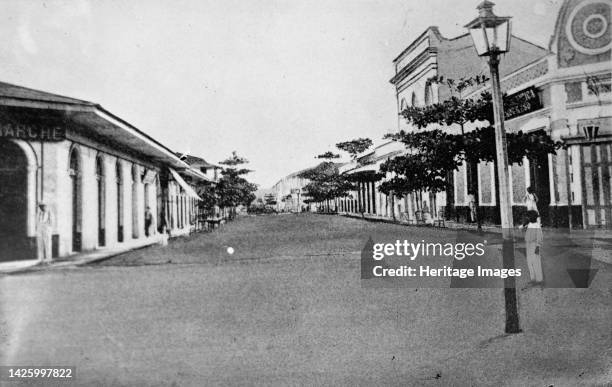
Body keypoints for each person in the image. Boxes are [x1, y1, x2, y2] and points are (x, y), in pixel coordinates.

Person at [524, 210, 544, 287]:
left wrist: (538, 246)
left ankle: (539, 280)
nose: (527, 218)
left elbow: (539, 237)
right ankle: (533, 279)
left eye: (528, 217)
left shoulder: (537, 226)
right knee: (530, 262)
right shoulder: (530, 225)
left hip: (534, 245)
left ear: (531, 217)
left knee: (536, 262)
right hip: (528, 245)